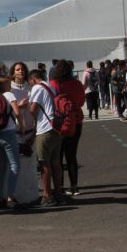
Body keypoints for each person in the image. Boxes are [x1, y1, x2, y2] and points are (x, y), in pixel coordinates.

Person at [50, 60, 86, 196]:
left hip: (58, 122)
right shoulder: (76, 84)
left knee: (57, 156)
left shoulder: (53, 84)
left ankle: (60, 186)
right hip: (75, 120)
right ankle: (74, 186)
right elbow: (82, 101)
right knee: (71, 155)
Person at [28, 70, 62, 207]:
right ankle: (58, 193)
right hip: (56, 127)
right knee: (55, 162)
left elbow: (33, 109)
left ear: (33, 79)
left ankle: (47, 195)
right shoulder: (50, 87)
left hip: (45, 128)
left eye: (30, 82)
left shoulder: (37, 87)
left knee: (44, 163)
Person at [0, 78, 21, 208]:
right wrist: (21, 126)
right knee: (14, 165)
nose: (10, 84)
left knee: (1, 166)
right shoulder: (8, 95)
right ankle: (11, 196)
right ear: (3, 85)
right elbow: (17, 112)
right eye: (8, 82)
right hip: (8, 134)